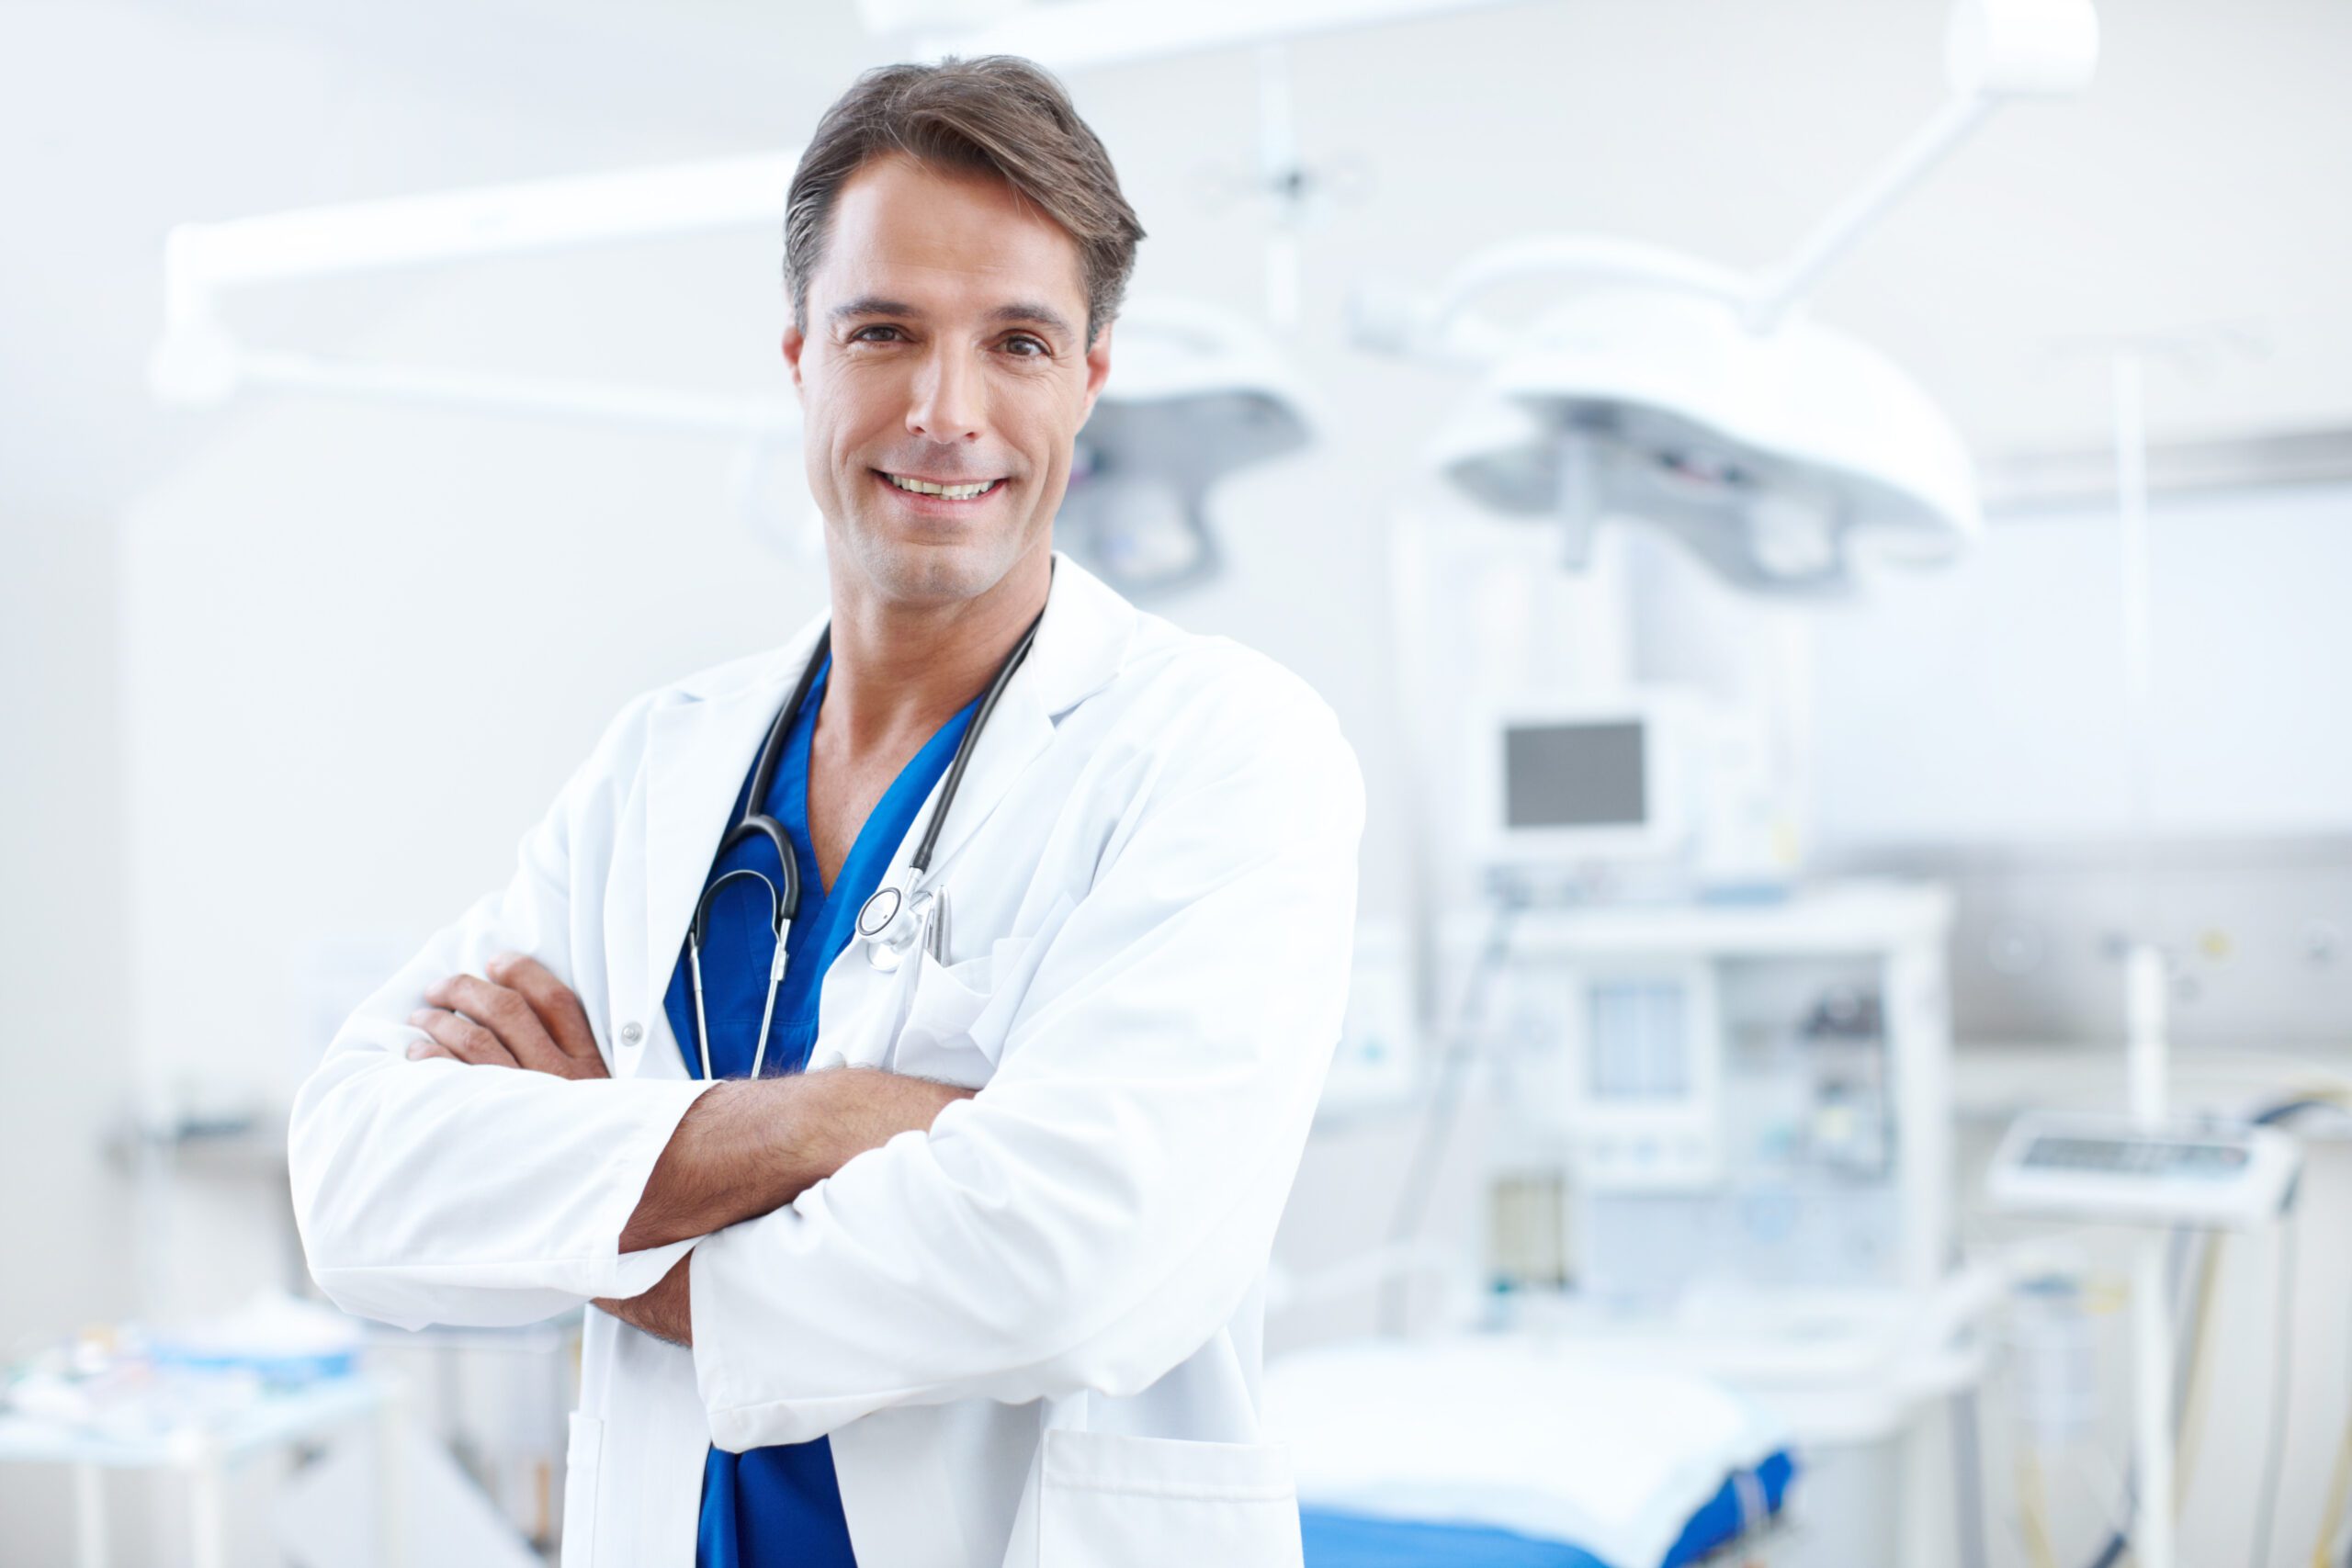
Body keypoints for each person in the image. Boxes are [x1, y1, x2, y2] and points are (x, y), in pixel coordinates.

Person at [287, 53, 1363, 1568]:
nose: (944, 410)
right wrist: (849, 1123)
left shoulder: (1225, 750)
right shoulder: (656, 769)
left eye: (1018, 343)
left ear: (1090, 381)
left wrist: (602, 1194)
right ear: (800, 356)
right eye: (885, 332)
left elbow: (1080, 1260)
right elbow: (355, 1183)